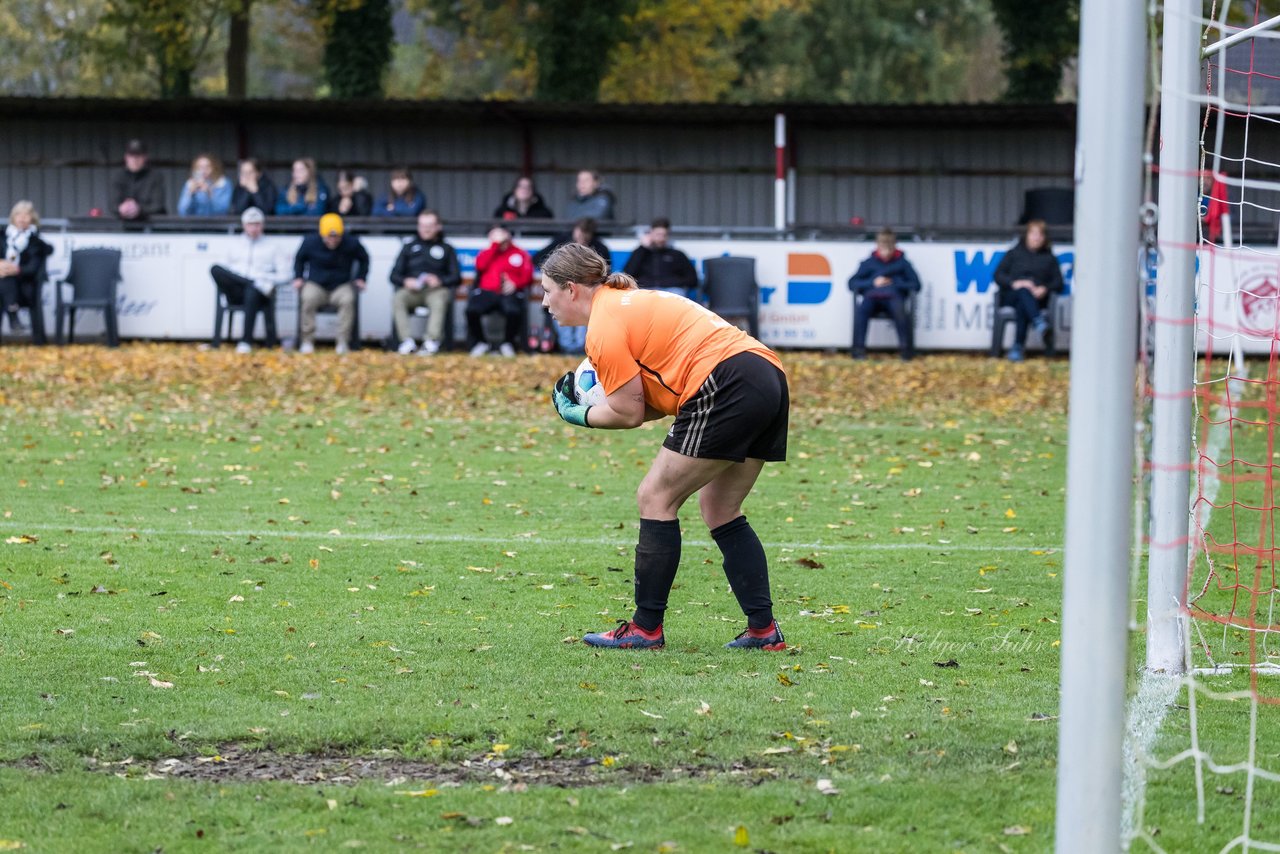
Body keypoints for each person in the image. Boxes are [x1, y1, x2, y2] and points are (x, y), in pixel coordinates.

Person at [541, 243, 789, 651]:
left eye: (547, 290)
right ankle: (763, 631)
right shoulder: (629, 301)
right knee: (720, 508)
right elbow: (658, 397)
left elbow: (626, 413)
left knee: (654, 497)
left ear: (571, 289)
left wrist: (577, 414)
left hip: (727, 381)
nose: (545, 302)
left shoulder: (603, 325)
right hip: (765, 372)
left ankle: (645, 628)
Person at [209, 207, 290, 353]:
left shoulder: (273, 246)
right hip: (235, 291)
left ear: (263, 225)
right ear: (244, 225)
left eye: (257, 224)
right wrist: (249, 280)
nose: (254, 228)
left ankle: (246, 341)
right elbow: (224, 270)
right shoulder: (233, 245)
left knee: (252, 290)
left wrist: (264, 278)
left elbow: (286, 275)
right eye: (250, 224)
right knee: (215, 269)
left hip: (259, 293)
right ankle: (250, 282)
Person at [292, 212, 369, 355]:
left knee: (348, 300)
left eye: (336, 236)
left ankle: (343, 342)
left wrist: (361, 278)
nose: (333, 240)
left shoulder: (351, 243)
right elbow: (299, 259)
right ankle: (307, 341)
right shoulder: (310, 242)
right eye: (329, 237)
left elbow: (364, 258)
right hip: (316, 284)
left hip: (341, 285)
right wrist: (298, 277)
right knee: (308, 298)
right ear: (322, 234)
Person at [532, 217, 610, 354]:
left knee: (584, 318)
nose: (581, 238)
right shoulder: (562, 242)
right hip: (562, 289)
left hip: (585, 293)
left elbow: (604, 273)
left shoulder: (599, 248)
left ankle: (581, 347)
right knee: (560, 311)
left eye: (586, 236)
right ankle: (566, 346)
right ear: (575, 230)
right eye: (580, 234)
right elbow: (537, 258)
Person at [389, 210, 460, 355]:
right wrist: (406, 281)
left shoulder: (447, 248)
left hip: (435, 291)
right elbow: (393, 275)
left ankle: (431, 341)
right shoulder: (409, 247)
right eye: (422, 225)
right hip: (413, 291)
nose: (426, 229)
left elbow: (456, 277)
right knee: (398, 297)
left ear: (438, 227)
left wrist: (440, 281)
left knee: (439, 299)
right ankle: (406, 342)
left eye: (430, 225)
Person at [993, 218, 1063, 362]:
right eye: (1033, 234)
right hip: (1011, 296)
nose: (1036, 238)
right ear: (1026, 236)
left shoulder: (1050, 259)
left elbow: (1058, 283)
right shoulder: (1013, 254)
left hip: (1037, 300)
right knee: (1023, 291)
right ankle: (1038, 322)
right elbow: (998, 275)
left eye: (1040, 235)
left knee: (1023, 304)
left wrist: (1045, 288)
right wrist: (1015, 283)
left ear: (1044, 238)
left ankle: (1018, 347)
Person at [847, 228, 921, 361]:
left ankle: (906, 352)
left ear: (894, 247)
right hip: (872, 299)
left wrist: (894, 282)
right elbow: (852, 283)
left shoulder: (903, 264)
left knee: (900, 310)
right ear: (878, 246)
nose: (885, 252)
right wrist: (873, 282)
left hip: (894, 299)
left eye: (888, 248)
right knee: (862, 310)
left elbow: (916, 285)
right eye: (882, 247)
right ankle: (858, 351)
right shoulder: (869, 263)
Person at [467, 225, 533, 357]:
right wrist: (494, 246)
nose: (499, 240)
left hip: (509, 294)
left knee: (513, 311)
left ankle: (507, 343)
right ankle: (481, 342)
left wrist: (515, 284)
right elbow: (480, 265)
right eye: (494, 237)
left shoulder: (520, 253)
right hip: (487, 292)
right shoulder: (487, 252)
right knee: (471, 310)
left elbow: (527, 277)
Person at [0, 200, 53, 339]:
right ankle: (13, 312)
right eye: (19, 214)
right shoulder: (2, 236)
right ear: (13, 217)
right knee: (5, 278)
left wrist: (15, 269)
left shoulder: (36, 242)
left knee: (7, 278)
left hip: (26, 286)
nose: (22, 218)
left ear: (32, 218)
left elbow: (33, 268)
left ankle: (13, 313)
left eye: (26, 215)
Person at [622, 217, 698, 296]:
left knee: (677, 294)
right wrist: (642, 248)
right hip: (645, 290)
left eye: (664, 235)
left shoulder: (677, 255)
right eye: (658, 234)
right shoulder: (639, 253)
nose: (661, 239)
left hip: (671, 291)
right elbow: (627, 275)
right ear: (650, 234)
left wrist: (672, 282)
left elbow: (693, 280)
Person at [111, 139, 167, 221]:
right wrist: (122, 208)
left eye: (138, 156)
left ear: (145, 157)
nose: (135, 160)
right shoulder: (118, 176)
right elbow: (113, 205)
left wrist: (139, 209)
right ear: (126, 157)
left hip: (152, 227)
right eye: (131, 156)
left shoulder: (155, 176)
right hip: (125, 227)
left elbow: (158, 205)